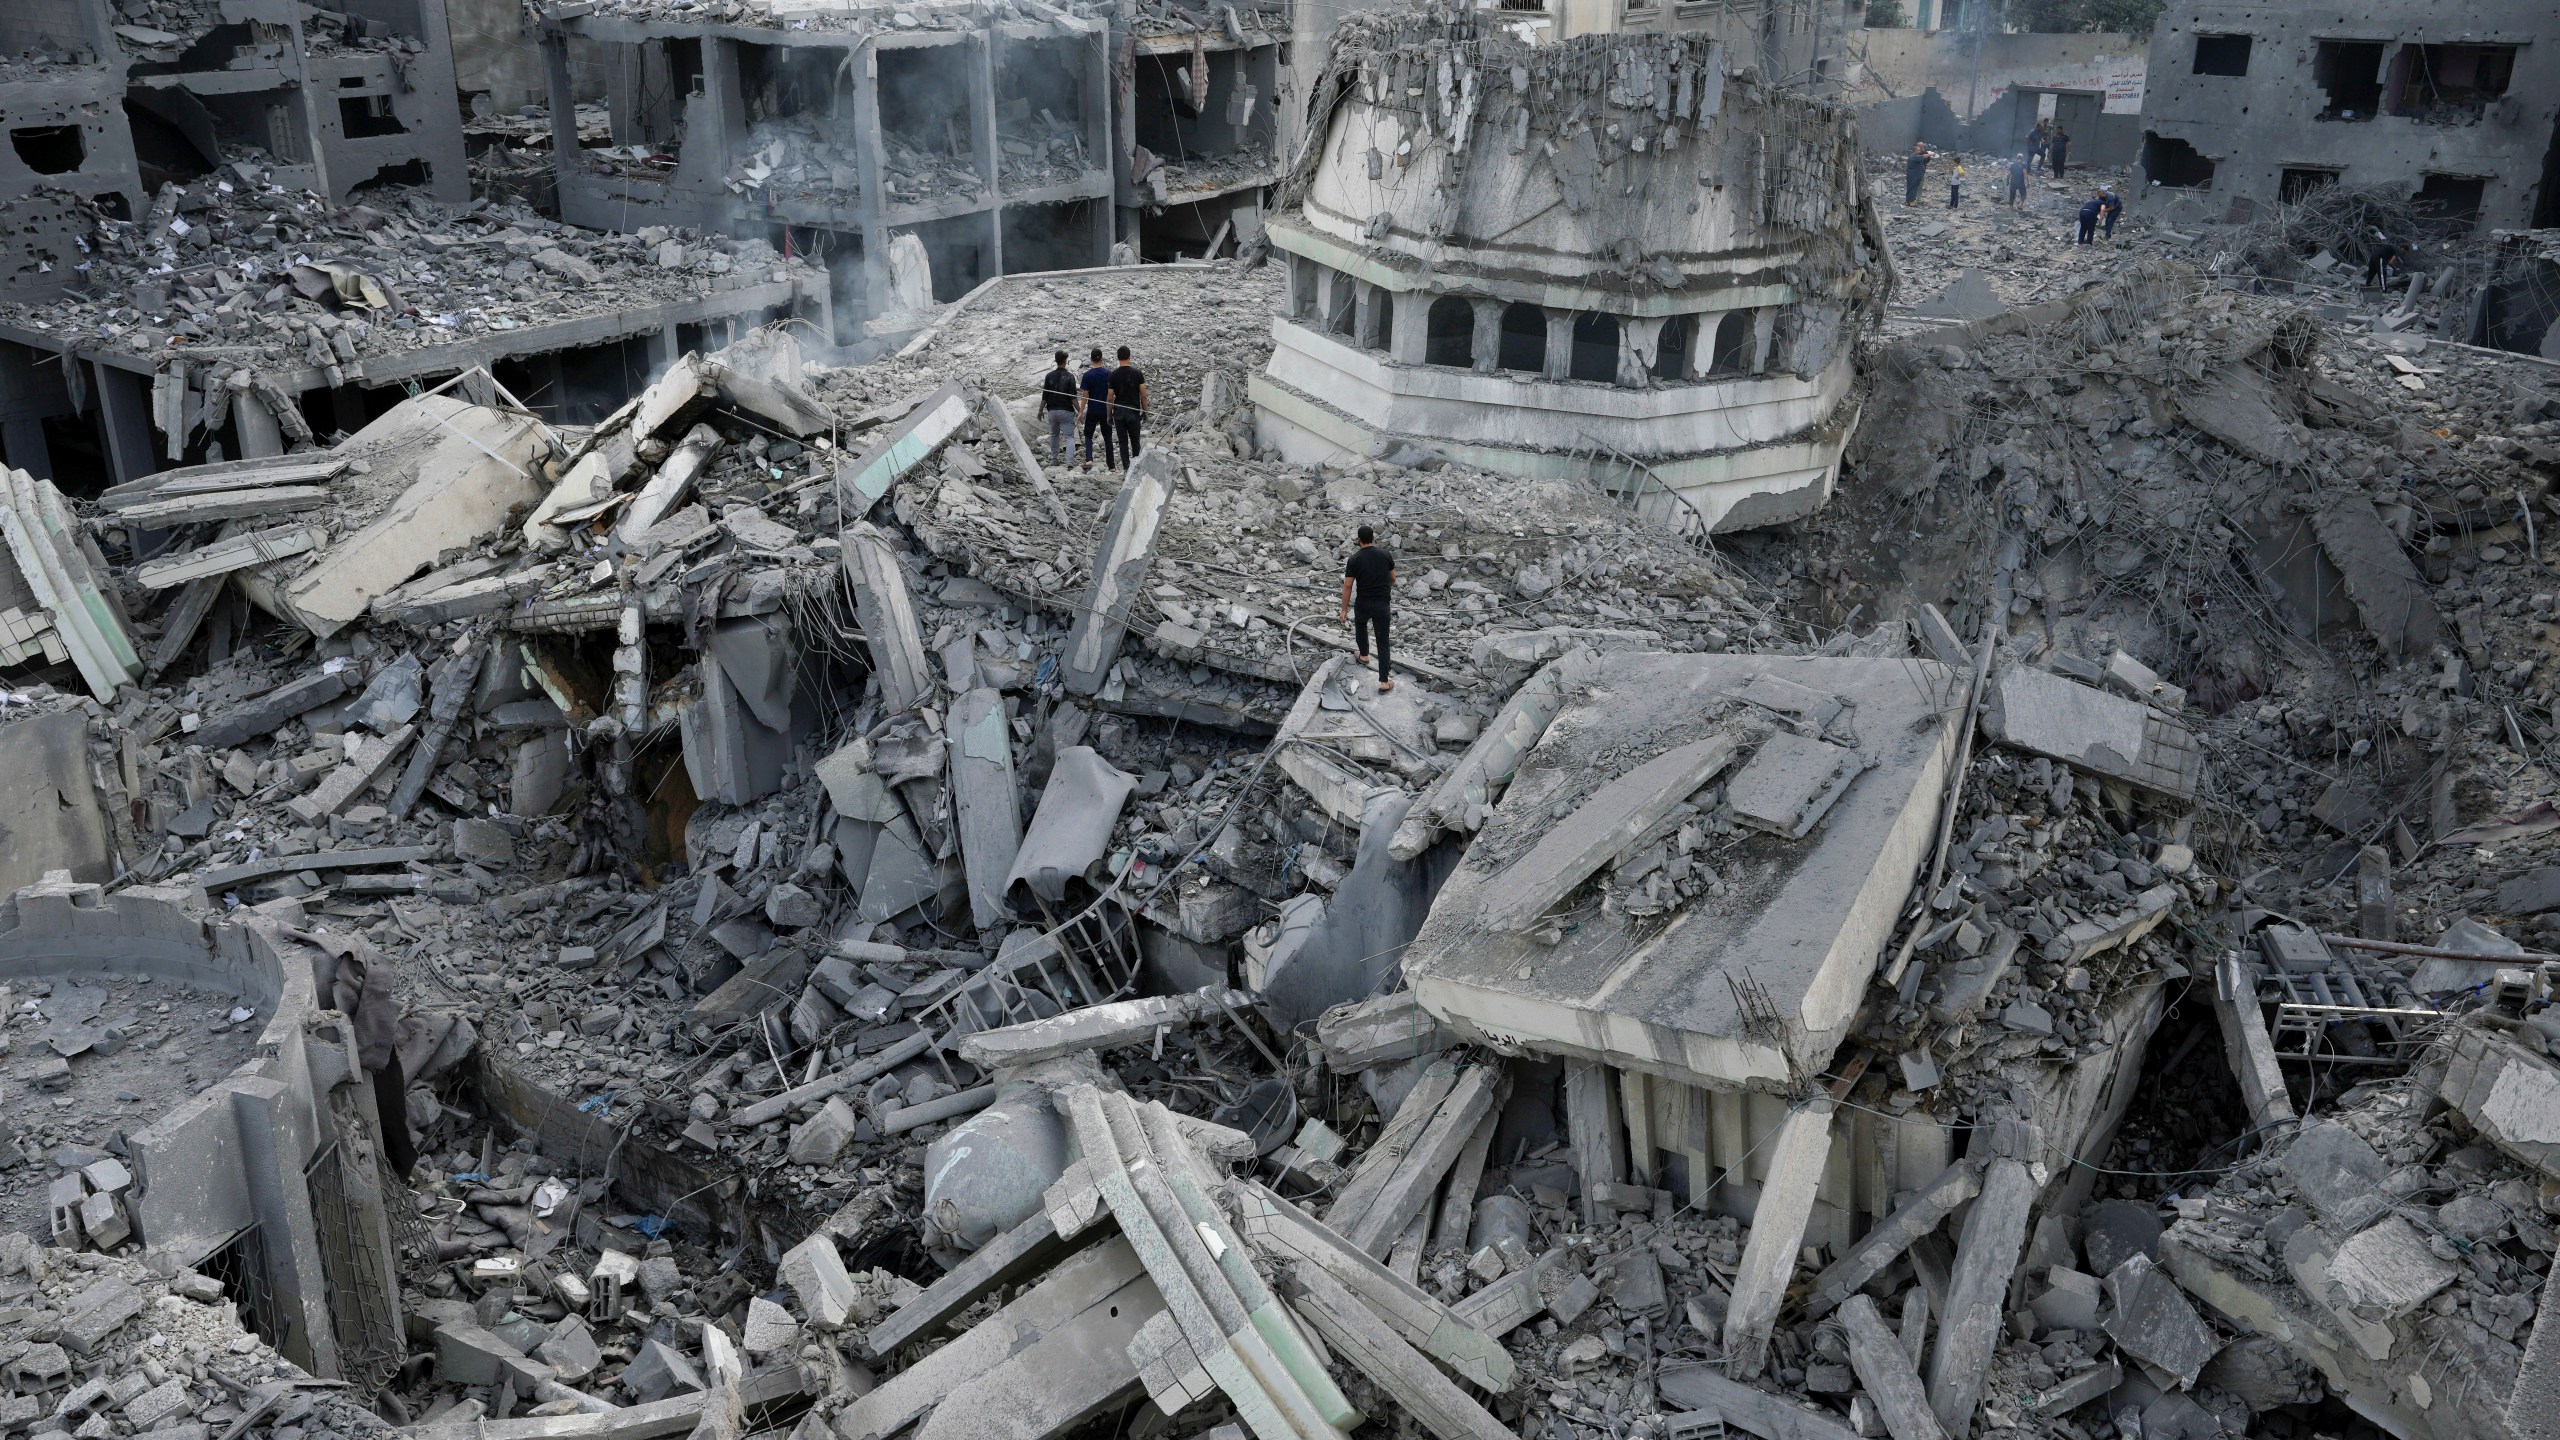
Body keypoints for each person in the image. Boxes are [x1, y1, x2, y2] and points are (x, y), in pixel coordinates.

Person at [1339, 525, 1396, 692]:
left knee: (1361, 626)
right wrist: (1386, 587)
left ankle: (1363, 655)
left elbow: (1348, 585)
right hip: (1381, 603)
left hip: (1363, 603)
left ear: (1359, 540)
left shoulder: (1354, 559)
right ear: (1373, 538)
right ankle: (1384, 681)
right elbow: (1393, 577)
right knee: (1383, 642)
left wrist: (1343, 610)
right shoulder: (1385, 555)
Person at [1107, 345, 1147, 468]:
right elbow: (1144, 396)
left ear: (1118, 358)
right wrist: (1145, 412)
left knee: (1123, 442)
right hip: (1133, 411)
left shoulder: (1113, 375)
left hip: (1119, 412)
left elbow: (1109, 398)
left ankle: (1126, 468)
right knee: (1135, 442)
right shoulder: (1138, 374)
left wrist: (1109, 415)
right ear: (1129, 357)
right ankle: (1136, 468)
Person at [1039, 350, 1079, 466]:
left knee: (1054, 435)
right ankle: (1069, 462)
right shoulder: (1070, 377)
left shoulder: (1049, 376)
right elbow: (1073, 397)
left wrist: (1040, 410)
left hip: (1052, 411)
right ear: (1065, 361)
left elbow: (1045, 396)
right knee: (1069, 437)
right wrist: (1080, 411)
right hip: (1066, 411)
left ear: (1056, 361)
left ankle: (1054, 459)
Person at [1077, 346, 1114, 470]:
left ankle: (1089, 460)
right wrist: (1111, 411)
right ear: (1102, 359)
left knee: (1088, 435)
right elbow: (1111, 394)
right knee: (1108, 437)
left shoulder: (1087, 375)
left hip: (1093, 409)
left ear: (1091, 359)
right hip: (1105, 409)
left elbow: (1085, 396)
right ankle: (1111, 465)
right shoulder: (1108, 374)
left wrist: (1081, 412)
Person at [1903, 141, 1934, 206]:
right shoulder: (1914, 156)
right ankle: (1911, 202)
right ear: (1915, 150)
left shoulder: (1915, 156)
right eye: (1919, 150)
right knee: (1913, 188)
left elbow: (1924, 160)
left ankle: (1910, 201)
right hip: (1914, 175)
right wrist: (1931, 154)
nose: (1920, 151)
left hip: (1917, 175)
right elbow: (1922, 156)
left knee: (1913, 187)